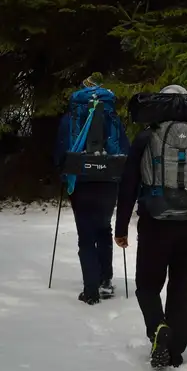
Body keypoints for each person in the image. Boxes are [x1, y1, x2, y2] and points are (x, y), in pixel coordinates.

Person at [115, 84, 187, 369]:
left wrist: (121, 226)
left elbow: (128, 184)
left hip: (154, 222)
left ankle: (157, 328)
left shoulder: (146, 137)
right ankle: (175, 352)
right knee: (180, 286)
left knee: (146, 286)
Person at [53, 78, 131, 304]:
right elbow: (124, 149)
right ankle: (105, 280)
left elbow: (60, 151)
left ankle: (90, 290)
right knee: (104, 229)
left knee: (85, 236)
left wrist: (63, 174)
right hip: (108, 181)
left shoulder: (71, 119)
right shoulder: (112, 118)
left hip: (80, 180)